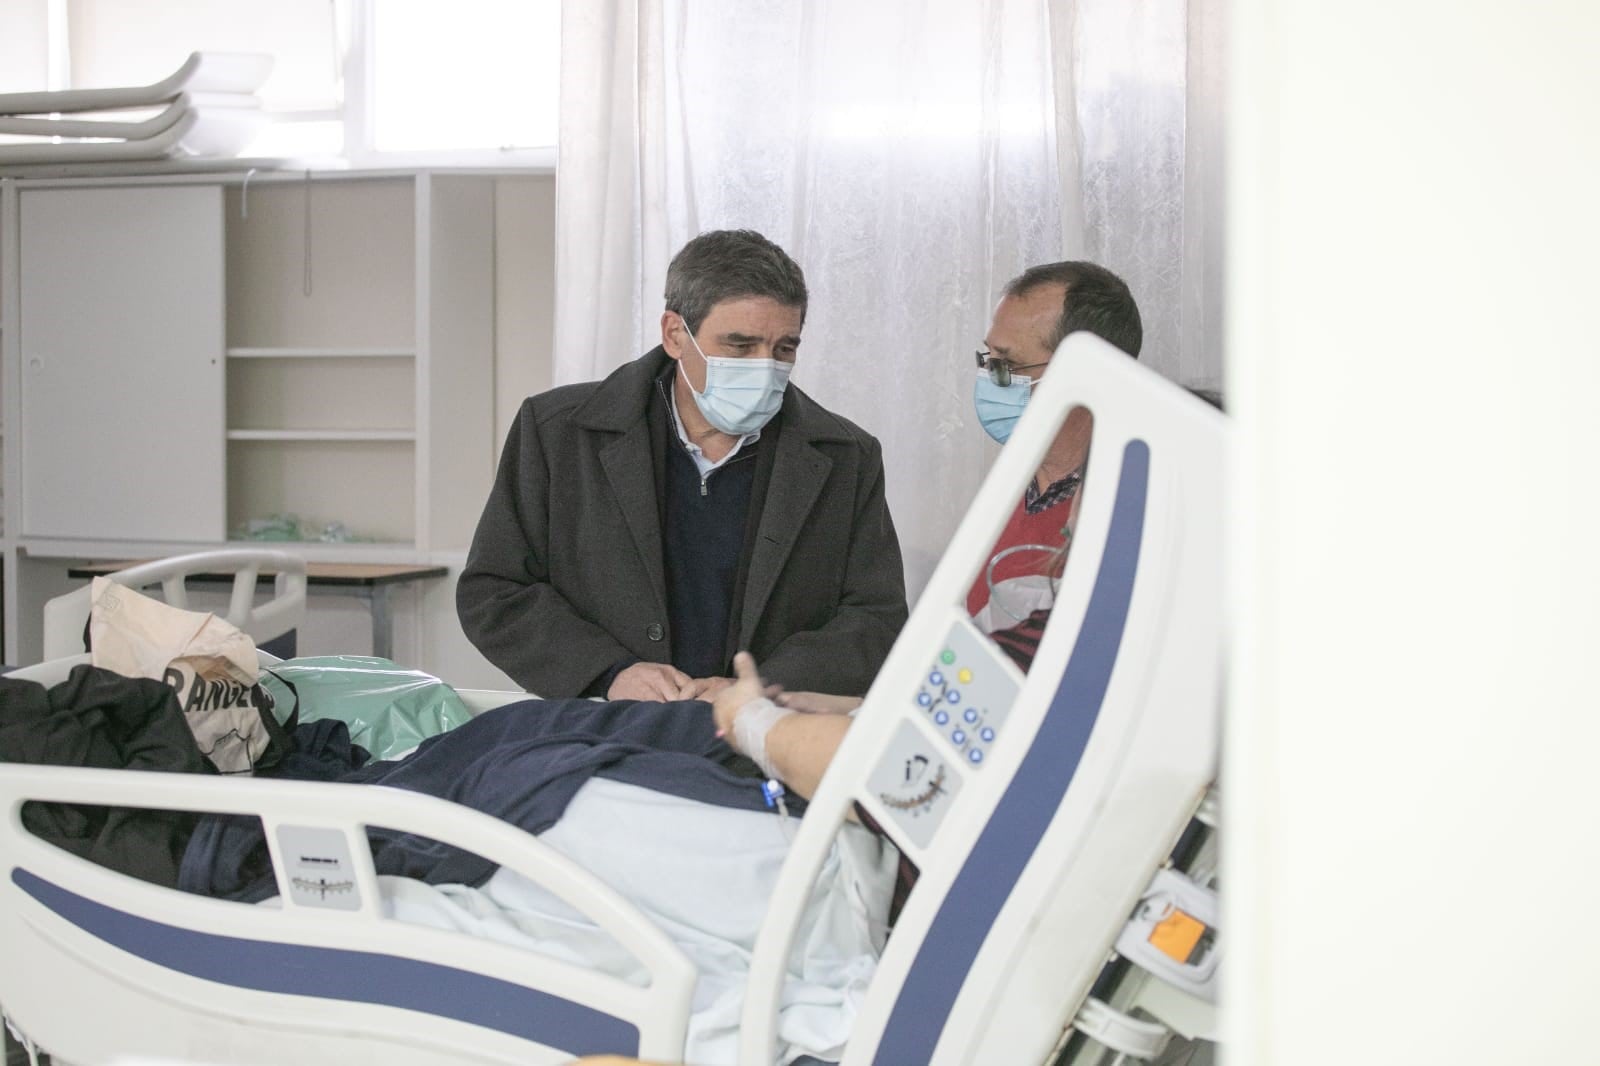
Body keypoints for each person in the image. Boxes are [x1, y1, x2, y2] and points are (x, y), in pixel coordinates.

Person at [458, 229, 909, 702]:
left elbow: (875, 618)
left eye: (784, 349)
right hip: (603, 726)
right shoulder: (558, 432)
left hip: (766, 733)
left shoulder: (846, 456)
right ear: (675, 334)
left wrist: (762, 690)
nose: (765, 368)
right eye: (740, 346)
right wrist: (610, 673)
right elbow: (496, 591)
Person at [967, 261, 1142, 631]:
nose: (990, 380)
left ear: (1087, 376)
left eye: (1008, 363)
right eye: (989, 359)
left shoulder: (1125, 515)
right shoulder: (1012, 485)